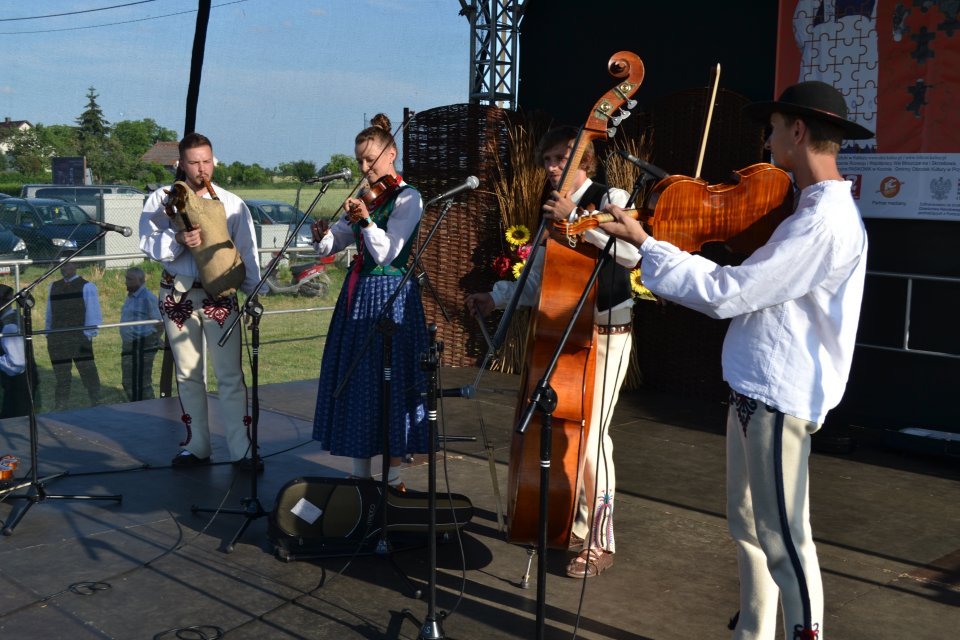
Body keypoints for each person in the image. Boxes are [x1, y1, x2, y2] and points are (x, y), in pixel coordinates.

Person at [597, 81, 872, 639]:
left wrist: (650, 245)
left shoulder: (824, 221)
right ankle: (754, 631)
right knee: (750, 529)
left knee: (786, 539)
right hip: (755, 389)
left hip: (779, 395)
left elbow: (732, 292)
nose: (766, 143)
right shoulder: (806, 211)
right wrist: (650, 245)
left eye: (771, 130)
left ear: (797, 132)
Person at [465, 126, 641, 579]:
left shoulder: (611, 196)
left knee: (591, 438)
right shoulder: (549, 213)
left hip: (608, 332)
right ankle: (575, 524)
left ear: (585, 161)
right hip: (566, 332)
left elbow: (629, 254)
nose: (552, 168)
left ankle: (602, 539)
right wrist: (496, 296)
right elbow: (540, 278)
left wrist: (576, 217)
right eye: (547, 161)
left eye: (561, 159)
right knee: (569, 436)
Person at [310, 113, 429, 491]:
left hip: (391, 297)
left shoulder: (408, 198)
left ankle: (392, 476)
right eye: (359, 160)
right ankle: (360, 477)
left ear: (390, 154)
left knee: (390, 383)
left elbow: (389, 253)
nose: (364, 168)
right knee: (360, 381)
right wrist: (323, 237)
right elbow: (338, 242)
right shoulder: (367, 198)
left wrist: (365, 222)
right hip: (359, 295)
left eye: (370, 159)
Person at [139, 132, 262, 471]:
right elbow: (147, 244)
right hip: (176, 294)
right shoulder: (161, 200)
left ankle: (241, 448)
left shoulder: (232, 203)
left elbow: (247, 252)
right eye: (194, 162)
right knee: (189, 373)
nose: (201, 168)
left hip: (219, 295)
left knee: (229, 374)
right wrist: (177, 238)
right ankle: (197, 445)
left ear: (213, 160)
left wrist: (252, 295)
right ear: (180, 164)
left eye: (206, 161)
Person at [45, 261, 102, 410]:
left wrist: (87, 334)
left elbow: (93, 313)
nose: (64, 268)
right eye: (62, 265)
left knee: (88, 370)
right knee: (61, 375)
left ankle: (96, 401)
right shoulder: (53, 286)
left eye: (68, 265)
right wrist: (48, 333)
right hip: (57, 338)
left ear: (76, 266)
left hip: (79, 338)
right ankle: (61, 405)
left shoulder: (87, 286)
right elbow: (49, 312)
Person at [120, 267, 162, 401]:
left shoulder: (147, 298)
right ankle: (136, 407)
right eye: (126, 278)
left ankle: (150, 410)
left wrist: (154, 339)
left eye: (130, 279)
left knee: (143, 383)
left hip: (143, 344)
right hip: (129, 345)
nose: (126, 282)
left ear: (142, 280)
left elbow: (160, 322)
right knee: (128, 382)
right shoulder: (131, 296)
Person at [0, 284, 38, 419]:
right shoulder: (14, 318)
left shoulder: (9, 326)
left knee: (13, 423)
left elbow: (17, 364)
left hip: (19, 386)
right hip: (22, 384)